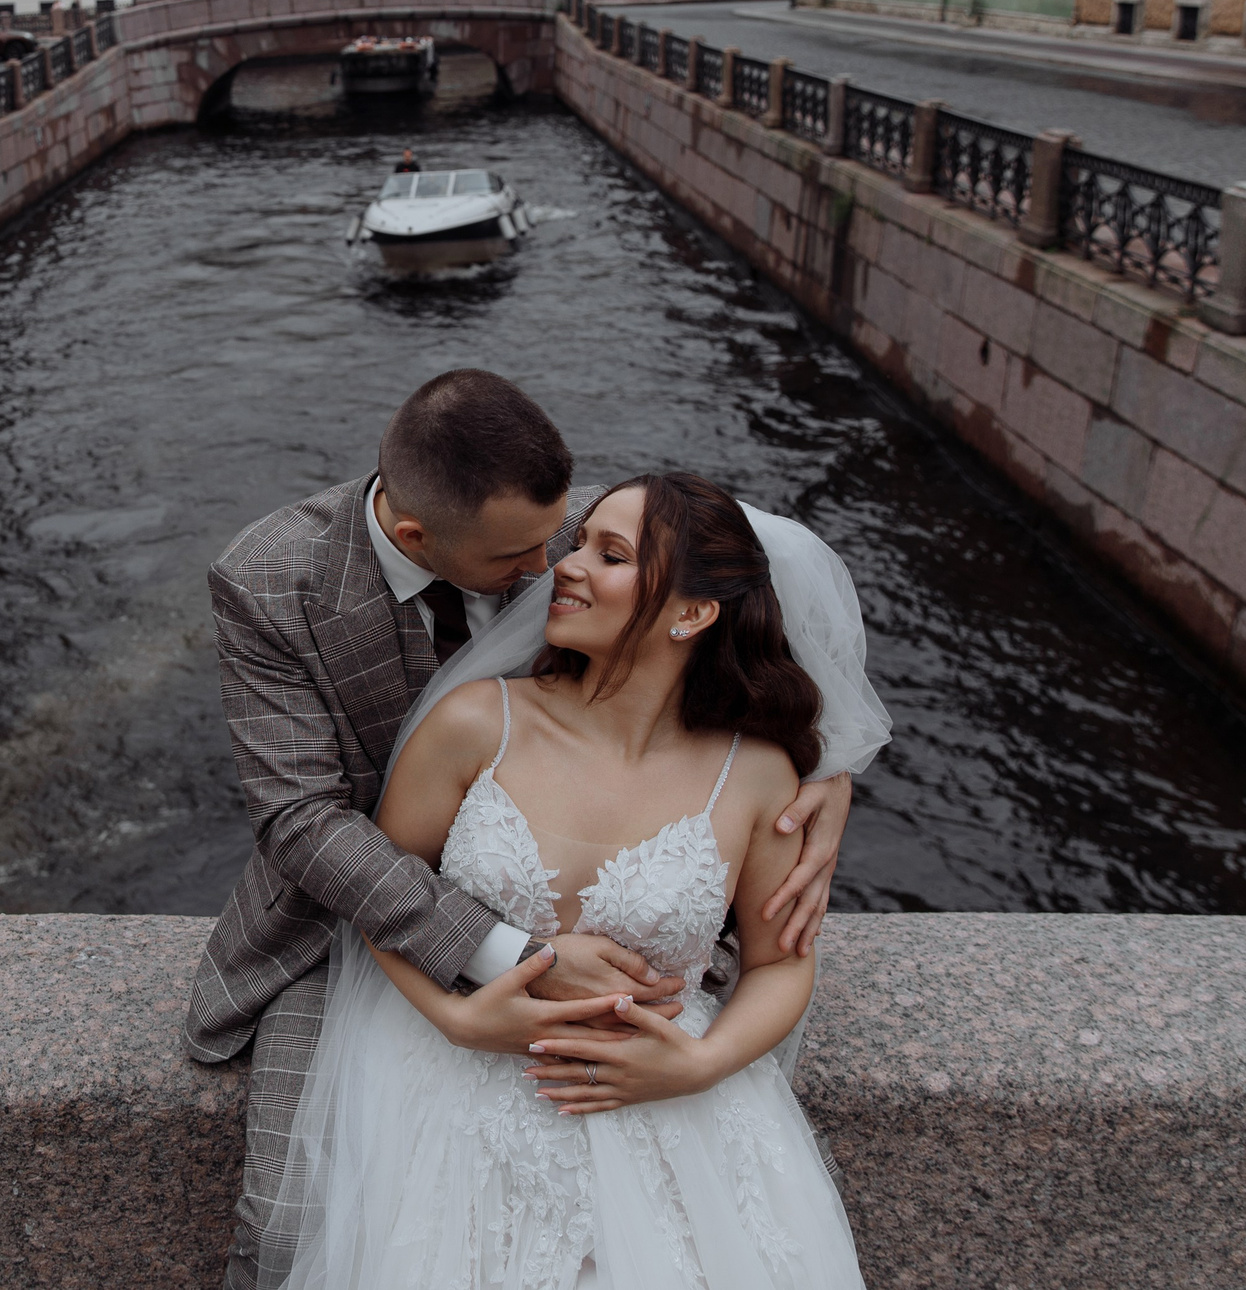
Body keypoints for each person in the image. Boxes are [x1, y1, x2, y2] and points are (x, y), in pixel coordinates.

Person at [187, 372, 872, 1289]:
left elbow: (775, 572)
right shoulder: (271, 579)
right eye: (525, 557)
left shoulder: (573, 525)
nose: (554, 568)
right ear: (417, 538)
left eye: (576, 543)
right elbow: (304, 822)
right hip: (361, 912)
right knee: (288, 1222)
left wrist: (829, 765)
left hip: (630, 974)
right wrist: (505, 963)